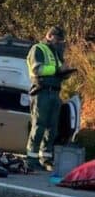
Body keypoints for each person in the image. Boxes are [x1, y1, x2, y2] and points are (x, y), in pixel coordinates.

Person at [26, 26, 74, 171]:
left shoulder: (56, 52)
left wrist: (65, 72)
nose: (59, 42)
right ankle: (31, 158)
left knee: (52, 128)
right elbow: (37, 69)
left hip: (55, 92)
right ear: (50, 35)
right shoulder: (38, 49)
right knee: (39, 126)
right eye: (58, 39)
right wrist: (57, 70)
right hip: (42, 92)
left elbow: (58, 70)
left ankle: (45, 158)